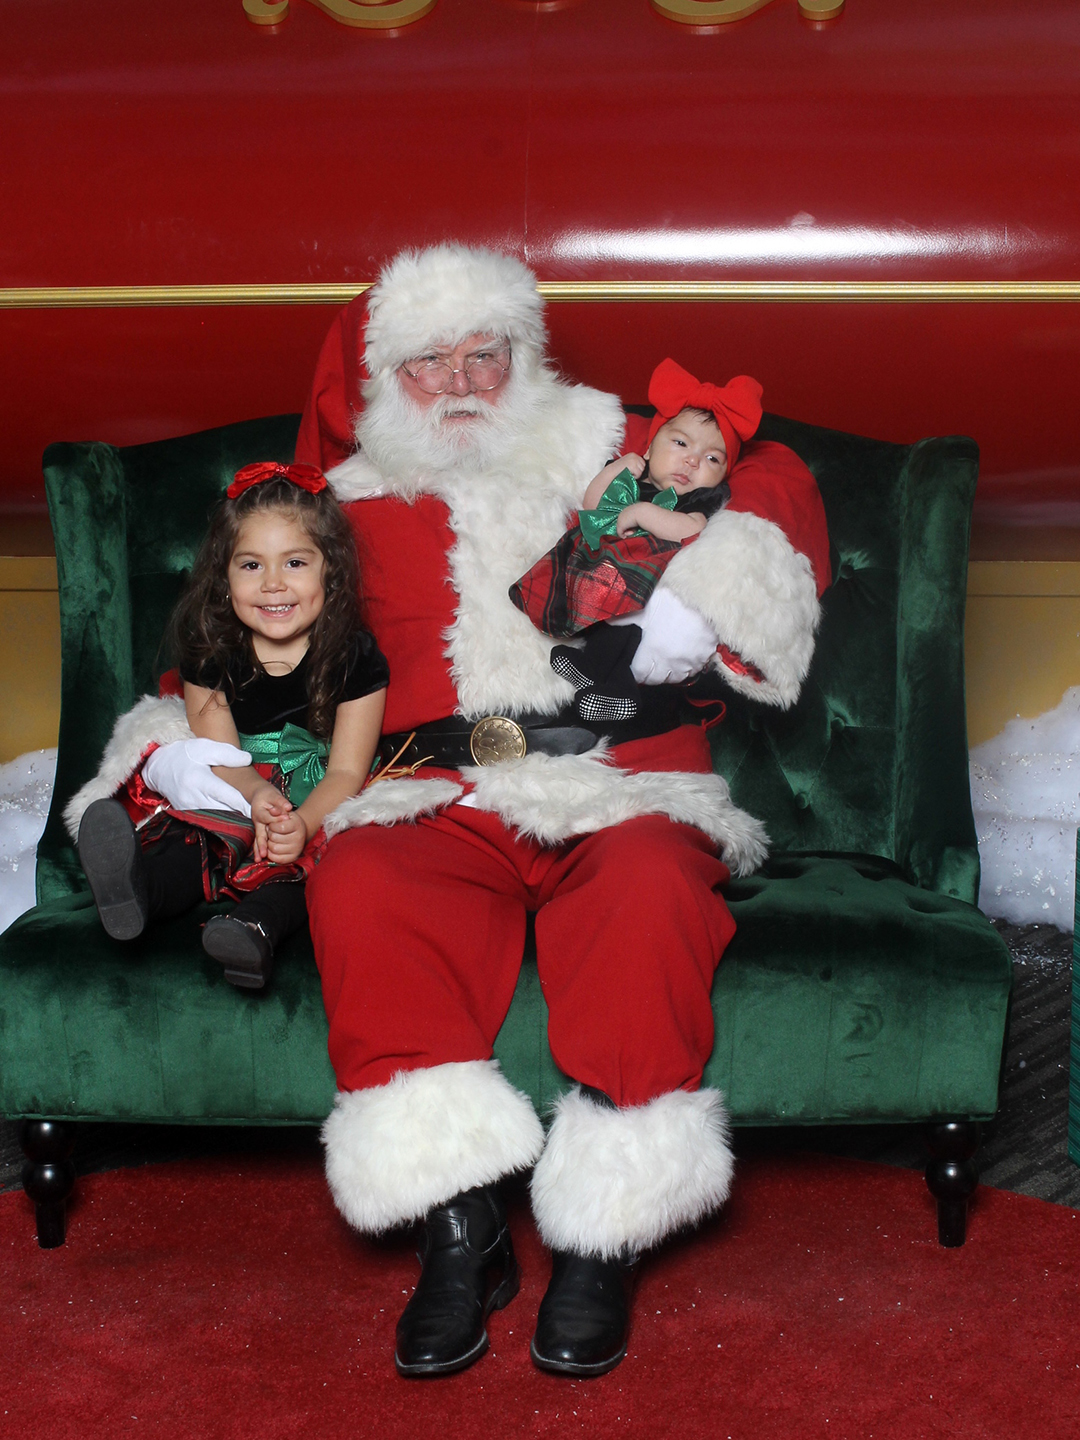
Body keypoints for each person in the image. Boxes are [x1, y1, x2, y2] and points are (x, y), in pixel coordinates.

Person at [132, 243, 831, 1379]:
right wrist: (184, 759)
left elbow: (775, 473)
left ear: (526, 356)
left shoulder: (610, 446)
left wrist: (721, 547)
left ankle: (603, 1237)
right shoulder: (340, 507)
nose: (459, 383)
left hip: (620, 779)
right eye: (425, 364)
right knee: (359, 882)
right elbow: (232, 640)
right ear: (377, 381)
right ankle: (460, 1231)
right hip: (426, 791)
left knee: (653, 889)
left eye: (484, 355)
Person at [68, 462, 389, 990]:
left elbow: (348, 771)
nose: (273, 584)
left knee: (319, 864)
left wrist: (301, 825)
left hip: (322, 791)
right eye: (250, 566)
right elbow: (218, 755)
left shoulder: (356, 657)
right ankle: (137, 890)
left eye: (294, 562)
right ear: (224, 577)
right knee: (196, 832)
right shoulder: (212, 652)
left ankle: (252, 929)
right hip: (237, 779)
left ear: (329, 569)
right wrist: (254, 791)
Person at [511, 358, 768, 721]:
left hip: (646, 585)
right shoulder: (634, 478)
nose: (692, 461)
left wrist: (642, 514)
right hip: (602, 572)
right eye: (680, 442)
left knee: (631, 623)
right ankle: (590, 664)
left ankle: (617, 692)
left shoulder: (698, 498)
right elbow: (592, 505)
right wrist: (618, 468)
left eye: (712, 458)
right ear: (650, 447)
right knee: (593, 608)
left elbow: (691, 527)